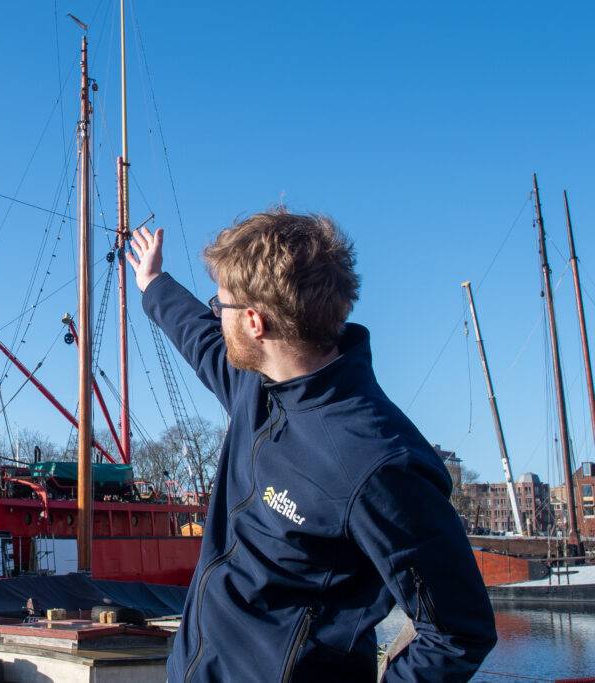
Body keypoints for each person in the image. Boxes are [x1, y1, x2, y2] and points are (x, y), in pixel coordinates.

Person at [126, 212, 496, 682]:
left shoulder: (378, 462)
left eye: (221, 307)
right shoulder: (256, 386)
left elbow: (459, 632)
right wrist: (153, 284)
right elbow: (197, 337)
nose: (215, 317)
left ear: (255, 322)